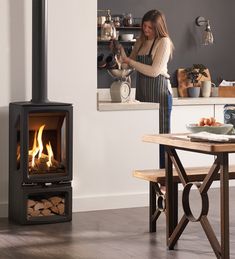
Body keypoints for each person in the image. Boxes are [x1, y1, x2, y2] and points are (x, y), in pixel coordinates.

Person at [120, 9, 174, 168]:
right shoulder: (141, 41)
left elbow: (154, 71)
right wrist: (120, 53)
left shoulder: (163, 42)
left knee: (161, 137)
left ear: (159, 28)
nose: (146, 30)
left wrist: (129, 61)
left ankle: (165, 179)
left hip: (160, 93)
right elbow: (127, 64)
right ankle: (149, 174)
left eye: (150, 28)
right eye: (144, 26)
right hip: (143, 92)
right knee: (145, 135)